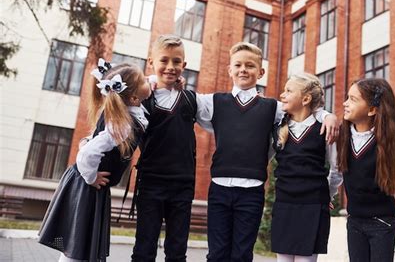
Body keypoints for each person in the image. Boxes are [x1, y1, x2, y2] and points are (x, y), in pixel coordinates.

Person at [195, 42, 339, 262]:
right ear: (230, 70)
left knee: (243, 254)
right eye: (238, 65)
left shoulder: (274, 108)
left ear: (261, 72)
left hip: (252, 191)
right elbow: (185, 100)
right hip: (219, 189)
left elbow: (306, 107)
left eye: (250, 65)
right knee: (216, 253)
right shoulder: (214, 102)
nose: (243, 69)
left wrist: (329, 115)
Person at [38, 61, 151, 262]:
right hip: (87, 187)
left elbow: (91, 142)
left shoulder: (126, 109)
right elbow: (88, 154)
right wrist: (91, 177)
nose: (148, 80)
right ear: (133, 97)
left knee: (81, 243)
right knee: (77, 243)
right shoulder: (123, 125)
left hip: (89, 187)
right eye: (144, 79)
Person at [131, 35, 197, 262]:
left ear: (184, 65)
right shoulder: (141, 100)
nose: (170, 67)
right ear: (151, 62)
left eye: (176, 62)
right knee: (144, 249)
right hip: (151, 183)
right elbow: (114, 121)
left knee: (177, 251)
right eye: (164, 61)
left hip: (183, 184)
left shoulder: (190, 99)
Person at [338, 78, 395, 262]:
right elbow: (336, 173)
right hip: (355, 222)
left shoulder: (389, 143)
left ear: (372, 109)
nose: (345, 103)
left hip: (382, 223)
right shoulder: (342, 138)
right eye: (347, 98)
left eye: (353, 99)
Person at [271, 73, 343, 262]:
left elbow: (337, 169)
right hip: (284, 203)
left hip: (313, 205)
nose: (282, 95)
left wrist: (328, 194)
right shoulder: (279, 127)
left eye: (288, 91)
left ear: (305, 98)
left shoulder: (324, 128)